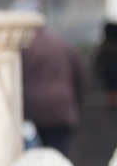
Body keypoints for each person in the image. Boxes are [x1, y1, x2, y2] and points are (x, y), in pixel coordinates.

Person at [21, 21, 85, 154]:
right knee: (58, 156)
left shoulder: (24, 47)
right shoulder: (61, 42)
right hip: (60, 109)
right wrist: (74, 101)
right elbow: (81, 73)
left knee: (33, 158)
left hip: (33, 112)